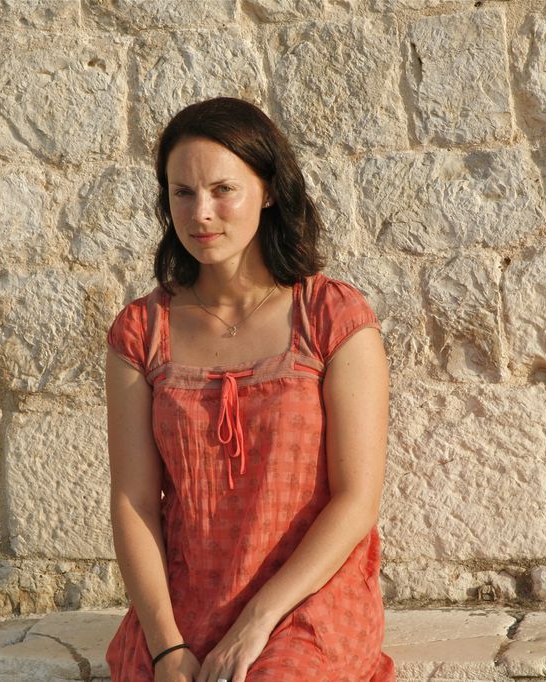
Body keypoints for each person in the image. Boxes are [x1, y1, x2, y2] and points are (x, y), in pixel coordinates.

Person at [103, 96, 394, 682]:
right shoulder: (142, 332)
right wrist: (165, 647)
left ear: (268, 191)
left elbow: (356, 500)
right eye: (182, 193)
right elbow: (134, 503)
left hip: (307, 600)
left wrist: (257, 622)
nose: (201, 213)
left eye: (223, 190)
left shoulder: (329, 318)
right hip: (183, 605)